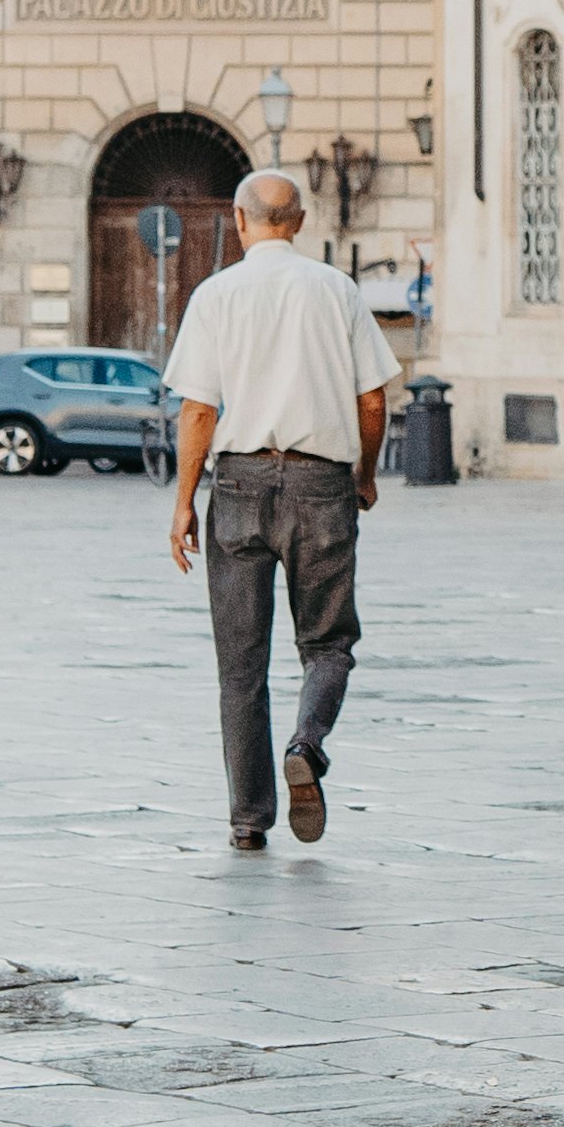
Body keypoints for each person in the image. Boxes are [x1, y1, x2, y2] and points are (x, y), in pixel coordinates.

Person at [164, 170, 395, 851]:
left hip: (237, 483)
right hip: (323, 483)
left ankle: (247, 819)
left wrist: (183, 503)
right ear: (298, 221)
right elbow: (374, 400)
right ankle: (308, 743)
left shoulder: (216, 295)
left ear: (240, 220)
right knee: (328, 645)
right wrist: (367, 473)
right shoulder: (337, 290)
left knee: (241, 665)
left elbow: (199, 408)